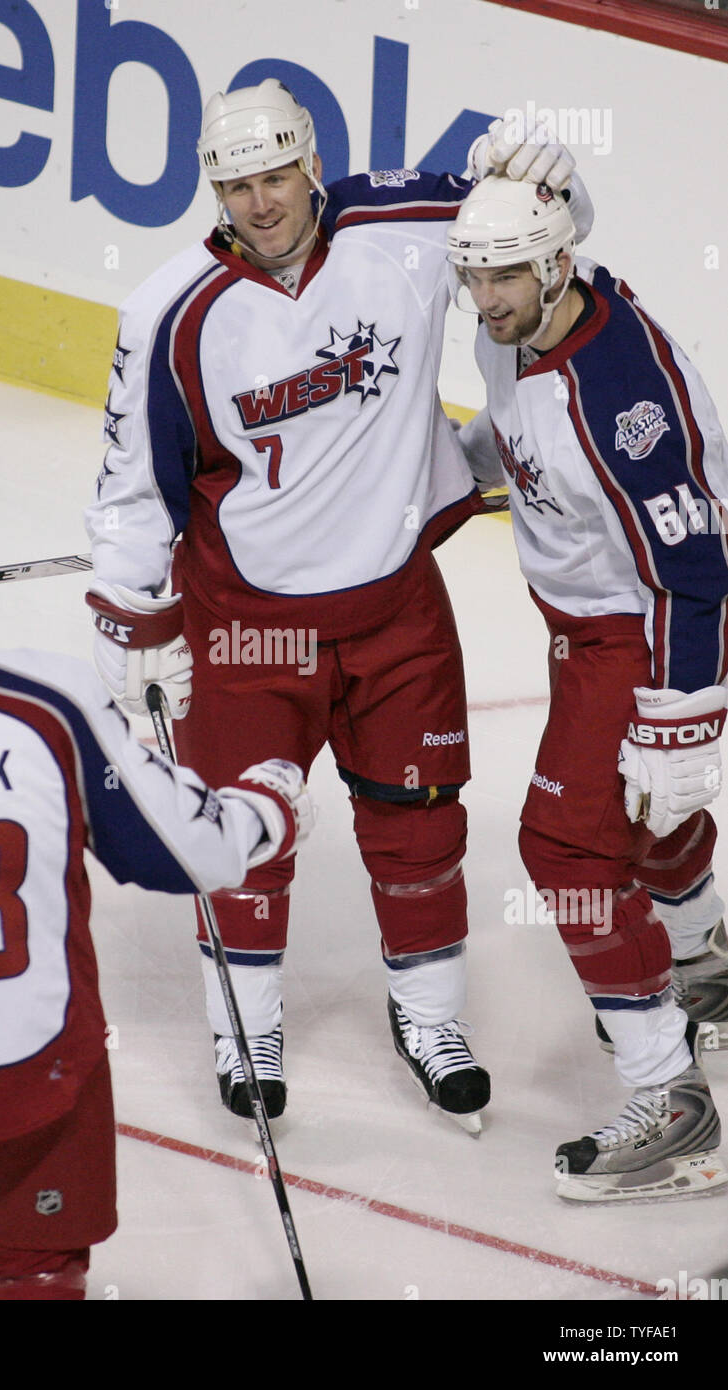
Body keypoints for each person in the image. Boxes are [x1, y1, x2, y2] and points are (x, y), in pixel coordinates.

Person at [83, 82, 589, 1133]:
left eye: (274, 176)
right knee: (242, 836)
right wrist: (130, 628)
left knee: (419, 821)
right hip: (244, 624)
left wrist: (554, 172)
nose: (259, 202)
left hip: (396, 605)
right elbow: (132, 490)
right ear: (210, 187)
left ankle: (430, 1016)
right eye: (234, 183)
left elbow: (543, 238)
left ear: (313, 164)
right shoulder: (168, 311)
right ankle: (245, 1026)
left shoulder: (401, 223)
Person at [0, 490, 312, 1300]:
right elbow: (186, 856)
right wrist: (273, 806)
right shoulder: (51, 706)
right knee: (34, 1271)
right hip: (32, 1065)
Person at [448, 175, 728, 1200]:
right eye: (472, 275)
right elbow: (508, 431)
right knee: (641, 824)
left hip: (645, 626)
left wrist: (678, 726)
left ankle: (671, 1101)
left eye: (504, 275)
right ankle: (703, 960)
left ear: (555, 265)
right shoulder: (514, 327)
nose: (484, 298)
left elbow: (692, 570)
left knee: (565, 844)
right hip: (589, 621)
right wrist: (439, 471)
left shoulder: (618, 398)